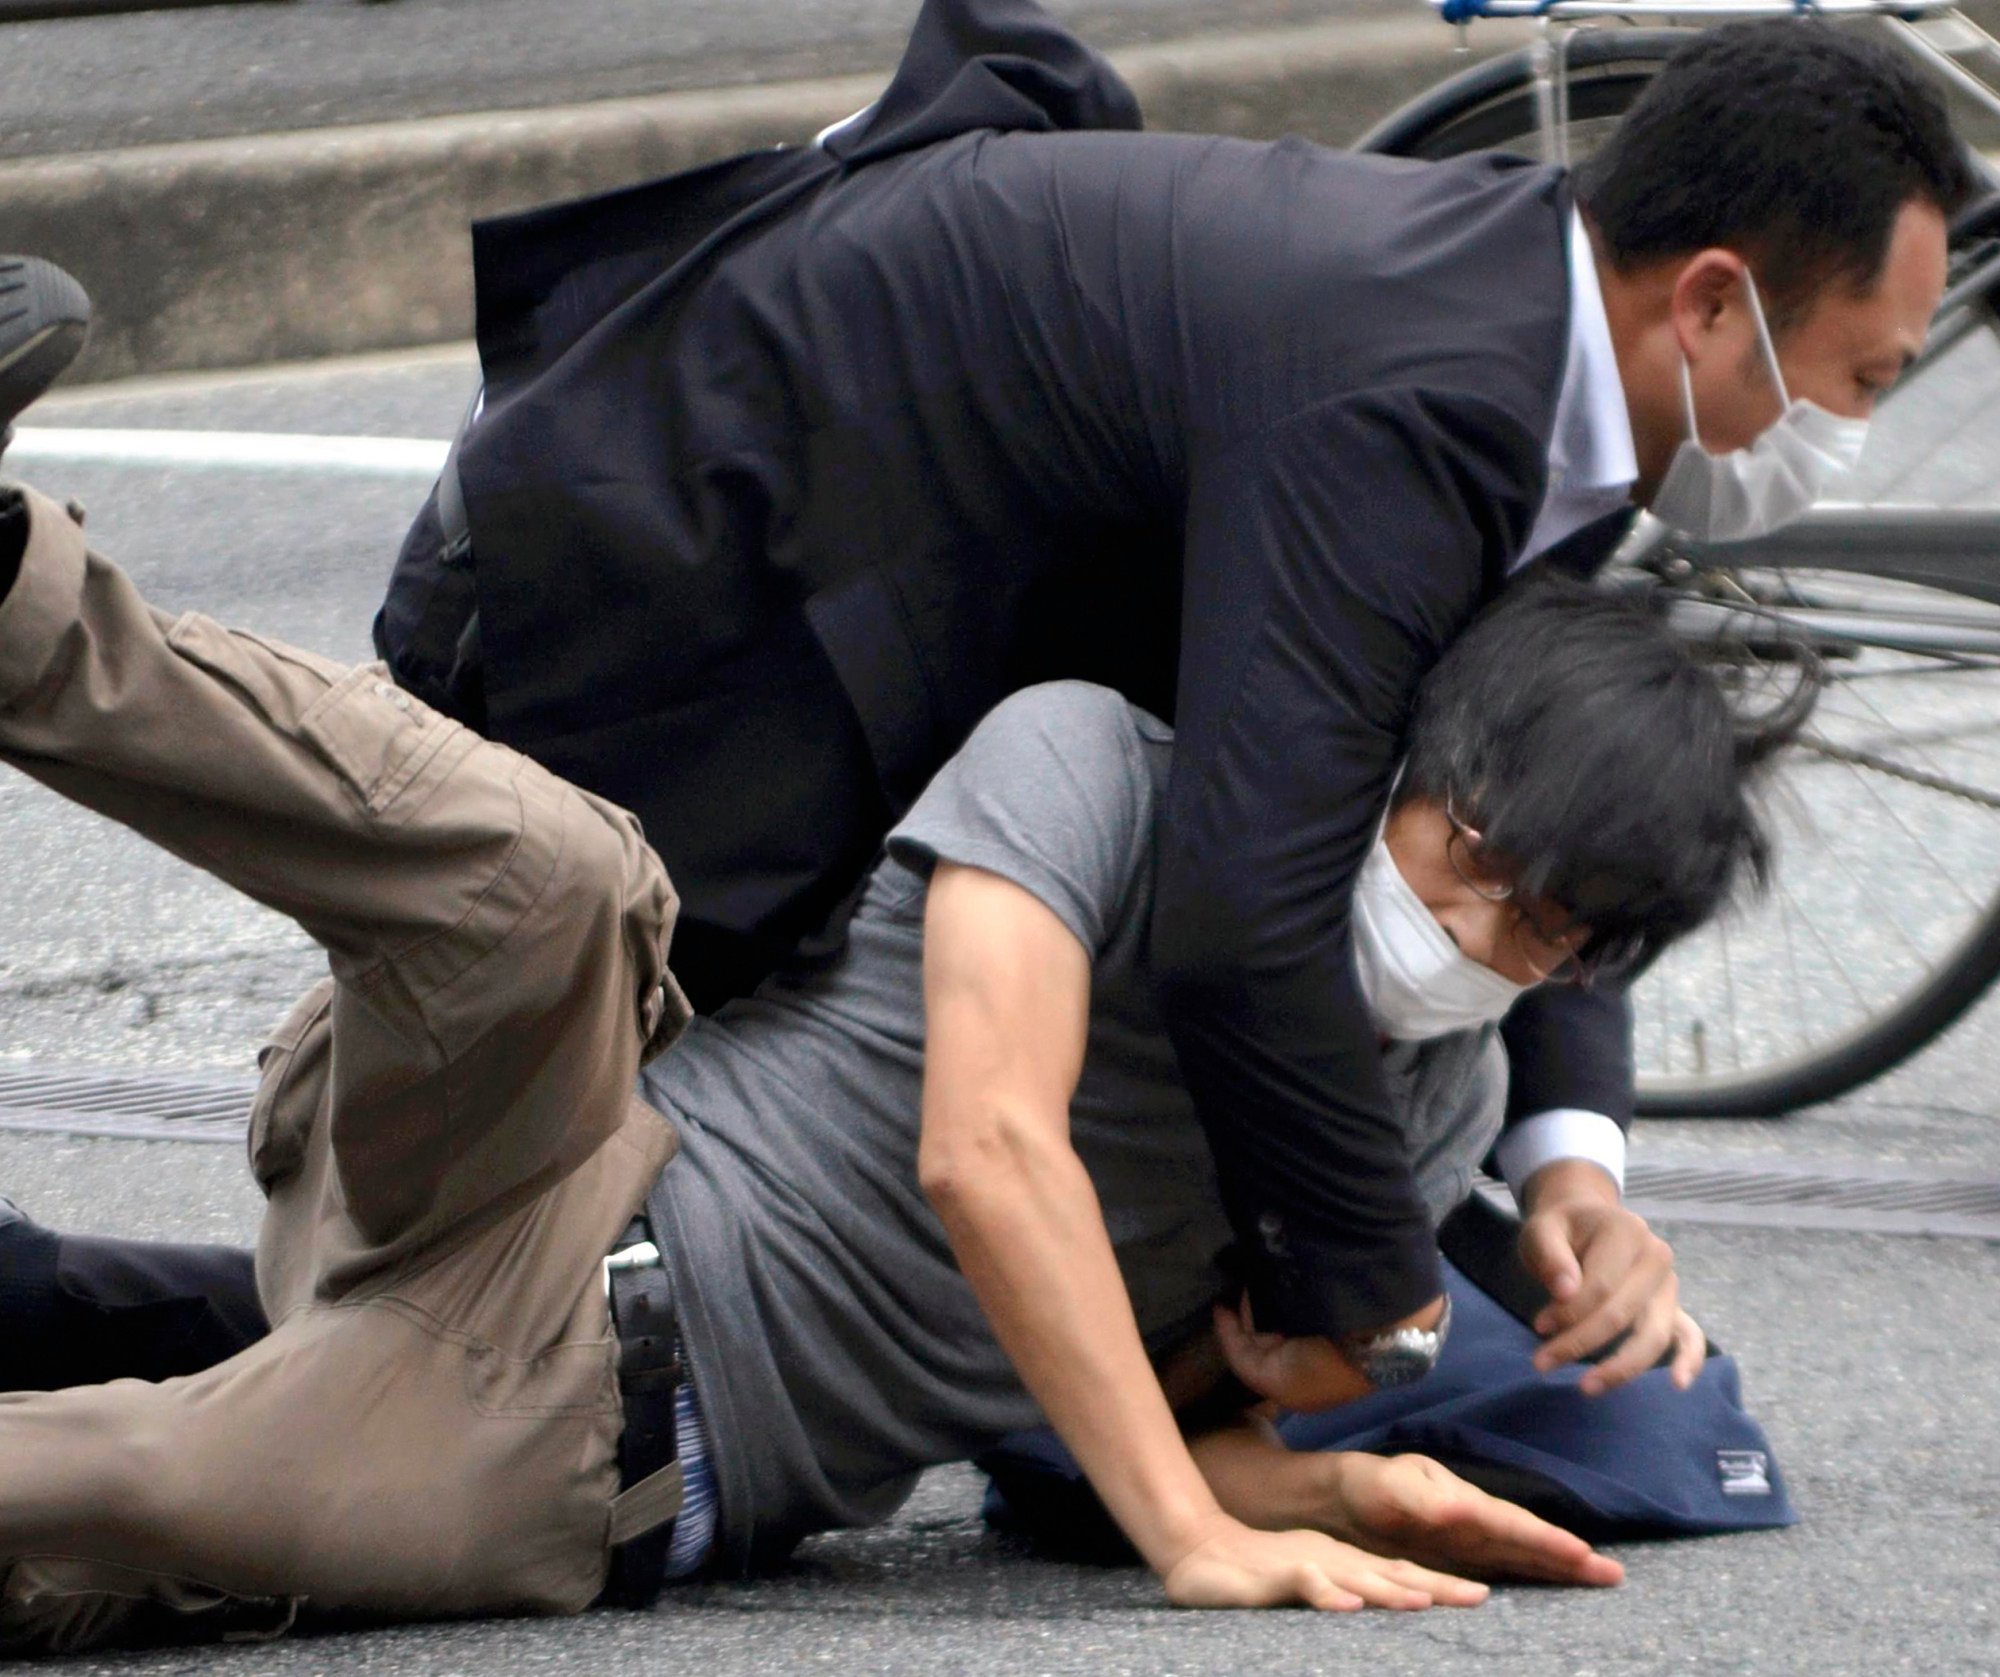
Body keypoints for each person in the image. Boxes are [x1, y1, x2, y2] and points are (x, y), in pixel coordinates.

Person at [0, 321, 1801, 1644]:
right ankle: (17, 596)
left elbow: (1101, 1446)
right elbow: (986, 1149)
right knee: (557, 879)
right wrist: (1192, 1521)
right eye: (1470, 855)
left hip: (583, 1445)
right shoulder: (1097, 768)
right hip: (537, 1153)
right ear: (1392, 756)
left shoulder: (1433, 1105)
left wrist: (1287, 1445)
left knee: (117, 1506)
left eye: (1550, 936)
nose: (1481, 937)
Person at [373, 0, 1976, 1403]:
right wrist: (1379, 1305)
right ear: (1707, 302)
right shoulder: (1421, 399)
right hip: (620, 583)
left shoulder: (1549, 336)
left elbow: (1534, 736)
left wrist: (1569, 1161)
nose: (1853, 425)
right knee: (482, 1262)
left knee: (515, 1296)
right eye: (1863, 376)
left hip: (799, 588)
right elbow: (1243, 915)